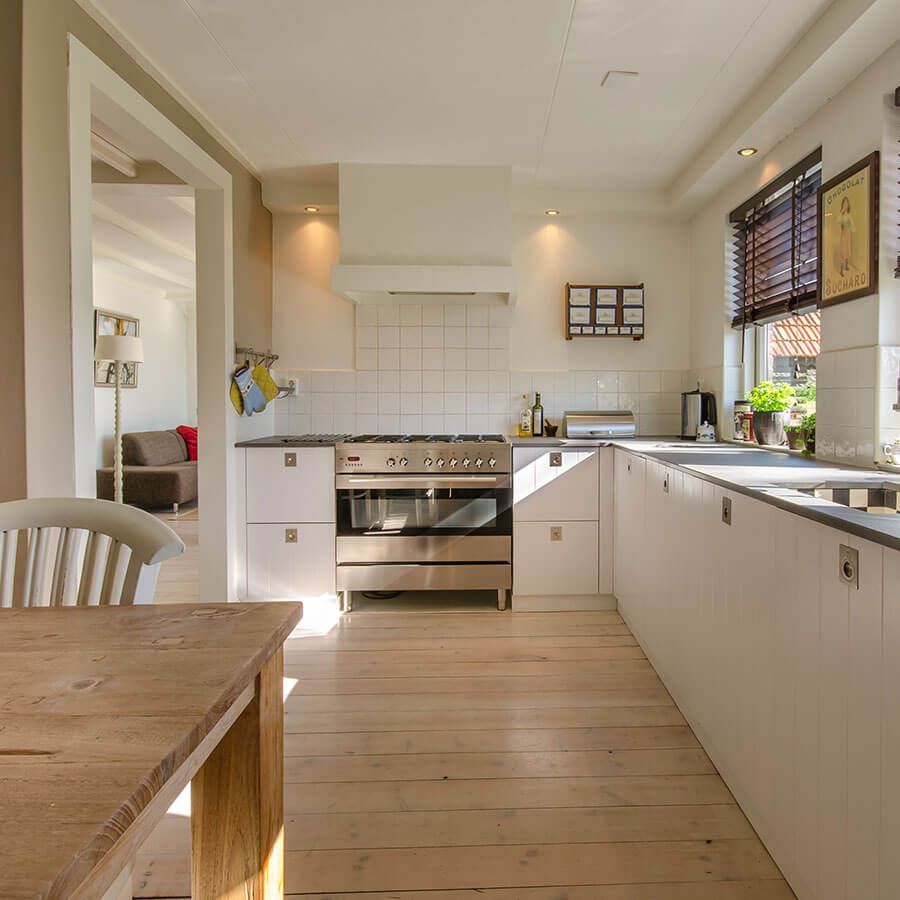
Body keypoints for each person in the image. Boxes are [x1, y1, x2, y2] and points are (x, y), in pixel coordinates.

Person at [838, 195, 854, 277]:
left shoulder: (848, 215)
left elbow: (852, 225)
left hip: (848, 234)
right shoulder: (842, 214)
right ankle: (841, 269)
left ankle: (846, 265)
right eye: (844, 204)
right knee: (843, 251)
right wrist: (842, 213)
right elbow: (838, 221)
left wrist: (850, 227)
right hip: (843, 234)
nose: (845, 205)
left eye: (846, 204)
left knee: (847, 250)